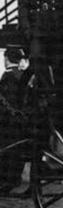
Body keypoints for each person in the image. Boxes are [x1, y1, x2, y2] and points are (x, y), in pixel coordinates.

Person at [0, 48, 30, 195]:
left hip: (9, 122)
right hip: (24, 120)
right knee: (17, 153)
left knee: (7, 151)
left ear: (7, 58)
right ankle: (14, 180)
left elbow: (6, 102)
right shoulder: (23, 75)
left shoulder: (8, 76)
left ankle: (6, 183)